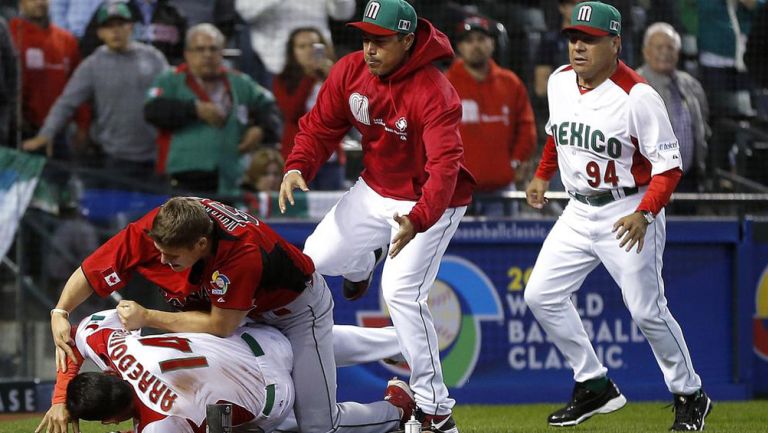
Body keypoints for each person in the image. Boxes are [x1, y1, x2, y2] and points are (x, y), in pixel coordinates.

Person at [49, 196, 412, 433]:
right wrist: (60, 309)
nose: (161, 262)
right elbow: (93, 273)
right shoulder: (166, 227)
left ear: (200, 245)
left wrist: (148, 317)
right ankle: (396, 342)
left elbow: (221, 325)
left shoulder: (238, 256)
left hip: (294, 308)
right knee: (289, 362)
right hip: (246, 329)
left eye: (172, 256)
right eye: (158, 250)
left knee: (318, 426)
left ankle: (401, 410)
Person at [279, 0, 475, 431]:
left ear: (408, 41)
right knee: (314, 260)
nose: (369, 48)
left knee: (402, 291)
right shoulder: (350, 71)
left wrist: (419, 218)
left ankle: (435, 409)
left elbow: (444, 167)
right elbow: (320, 126)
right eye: (365, 38)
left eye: (381, 41)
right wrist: (297, 166)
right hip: (376, 188)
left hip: (429, 200)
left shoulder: (435, 91)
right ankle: (363, 258)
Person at [523, 2, 711, 430]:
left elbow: (669, 168)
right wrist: (541, 174)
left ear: (615, 44)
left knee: (647, 310)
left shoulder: (639, 96)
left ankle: (690, 394)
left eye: (589, 39)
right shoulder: (559, 81)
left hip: (629, 207)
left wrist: (645, 214)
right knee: (540, 295)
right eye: (574, 38)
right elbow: (558, 134)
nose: (578, 47)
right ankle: (593, 384)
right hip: (577, 209)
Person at [36, 309, 295, 433]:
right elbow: (74, 335)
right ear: (108, 374)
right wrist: (60, 399)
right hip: (261, 341)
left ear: (110, 420)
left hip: (273, 398)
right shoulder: (113, 347)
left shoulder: (159, 424)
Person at [22, 1, 167, 183]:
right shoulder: (92, 64)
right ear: (100, 33)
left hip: (155, 156)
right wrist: (46, 134)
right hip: (114, 157)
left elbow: (173, 93)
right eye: (109, 26)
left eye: (120, 25)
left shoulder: (154, 58)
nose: (115, 31)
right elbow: (67, 102)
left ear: (131, 27)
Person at [143, 23, 281, 196]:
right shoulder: (170, 80)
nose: (207, 55)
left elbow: (271, 109)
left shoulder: (240, 82)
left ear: (222, 52)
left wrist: (260, 129)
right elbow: (152, 111)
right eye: (200, 49)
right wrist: (193, 109)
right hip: (182, 178)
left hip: (230, 179)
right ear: (187, 54)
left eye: (213, 49)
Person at [445, 15, 536, 213]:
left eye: (481, 39)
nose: (476, 46)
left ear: (493, 43)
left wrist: (516, 161)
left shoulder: (510, 83)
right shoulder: (445, 85)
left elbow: (526, 126)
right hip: (454, 190)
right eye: (469, 41)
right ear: (459, 47)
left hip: (500, 190)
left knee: (506, 244)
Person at [637, 22, 710, 193]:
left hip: (689, 180)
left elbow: (704, 127)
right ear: (646, 52)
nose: (665, 52)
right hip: (650, 182)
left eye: (670, 47)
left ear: (677, 53)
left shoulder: (691, 85)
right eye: (659, 47)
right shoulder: (635, 85)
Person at [10, 0, 86, 159]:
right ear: (21, 3)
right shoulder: (10, 34)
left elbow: (80, 87)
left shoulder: (67, 40)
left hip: (60, 133)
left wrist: (83, 125)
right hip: (20, 132)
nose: (39, 2)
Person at [273, 27, 346, 191]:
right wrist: (309, 77)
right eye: (302, 46)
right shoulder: (282, 80)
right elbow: (291, 112)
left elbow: (349, 111)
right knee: (299, 212)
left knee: (333, 212)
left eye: (313, 45)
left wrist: (334, 78)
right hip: (298, 160)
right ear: (293, 52)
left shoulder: (335, 74)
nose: (308, 51)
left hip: (331, 159)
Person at [234, 0, 355, 88]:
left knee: (330, 113)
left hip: (319, 59)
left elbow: (344, 13)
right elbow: (245, 11)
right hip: (274, 63)